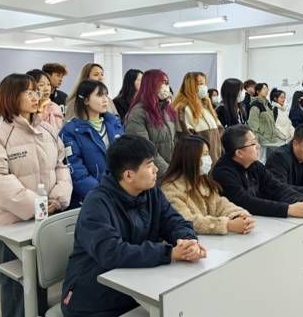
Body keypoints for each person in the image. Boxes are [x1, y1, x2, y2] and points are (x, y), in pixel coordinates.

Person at [61, 135, 206, 317]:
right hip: (93, 300)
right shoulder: (97, 204)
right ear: (128, 175)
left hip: (135, 289)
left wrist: (188, 241)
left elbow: (174, 221)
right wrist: (169, 253)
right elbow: (112, 252)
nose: (156, 169)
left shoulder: (150, 192)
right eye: (149, 164)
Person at [0, 73, 72, 317]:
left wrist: (59, 197)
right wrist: (39, 204)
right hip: (14, 223)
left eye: (36, 92)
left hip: (47, 216)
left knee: (41, 280)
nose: (36, 97)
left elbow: (61, 166)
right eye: (29, 92)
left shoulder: (48, 130)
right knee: (18, 289)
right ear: (12, 97)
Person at [212, 125, 303, 218]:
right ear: (239, 153)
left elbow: (276, 187)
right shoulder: (223, 173)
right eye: (253, 144)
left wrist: (302, 200)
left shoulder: (254, 165)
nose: (258, 146)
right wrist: (288, 209)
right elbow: (246, 202)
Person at [161, 136, 255, 235]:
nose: (209, 159)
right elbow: (187, 220)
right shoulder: (171, 189)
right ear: (190, 158)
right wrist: (227, 225)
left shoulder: (202, 181)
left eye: (208, 154)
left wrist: (239, 215)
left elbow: (220, 204)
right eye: (205, 154)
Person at [60, 80, 124, 208]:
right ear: (86, 100)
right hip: (92, 200)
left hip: (120, 193)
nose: (105, 99)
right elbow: (77, 172)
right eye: (99, 95)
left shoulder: (114, 123)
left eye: (106, 95)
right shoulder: (70, 131)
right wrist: (102, 194)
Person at [125, 69, 177, 178]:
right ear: (150, 85)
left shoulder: (167, 110)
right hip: (153, 174)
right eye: (161, 83)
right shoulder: (138, 113)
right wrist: (168, 172)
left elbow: (175, 140)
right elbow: (144, 148)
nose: (165, 87)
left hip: (171, 172)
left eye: (166, 83)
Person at [173, 71, 223, 163]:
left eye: (204, 84)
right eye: (200, 84)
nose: (204, 87)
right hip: (199, 162)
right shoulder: (184, 108)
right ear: (191, 86)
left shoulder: (206, 106)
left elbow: (220, 131)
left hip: (216, 161)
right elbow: (187, 139)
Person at [26, 69, 63, 134]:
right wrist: (40, 108)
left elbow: (57, 134)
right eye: (41, 85)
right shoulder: (26, 107)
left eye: (48, 84)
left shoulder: (55, 108)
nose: (47, 89)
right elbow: (31, 131)